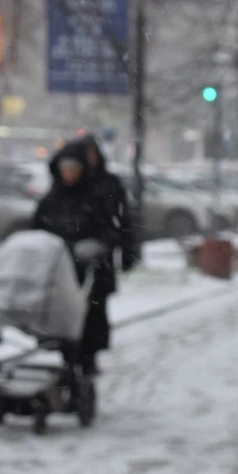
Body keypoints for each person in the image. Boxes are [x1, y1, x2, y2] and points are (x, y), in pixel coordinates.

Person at [32, 142, 117, 375]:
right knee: (61, 314)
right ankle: (67, 356)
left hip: (90, 268)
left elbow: (110, 228)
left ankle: (87, 360)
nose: (69, 173)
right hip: (58, 269)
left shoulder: (96, 196)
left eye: (73, 168)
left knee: (89, 317)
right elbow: (37, 227)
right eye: (65, 168)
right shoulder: (52, 198)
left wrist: (98, 246)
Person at [78, 134, 142, 274]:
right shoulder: (70, 185)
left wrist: (127, 252)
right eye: (85, 154)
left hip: (103, 253)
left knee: (99, 289)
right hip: (75, 256)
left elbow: (123, 218)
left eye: (92, 153)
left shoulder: (110, 183)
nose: (89, 158)